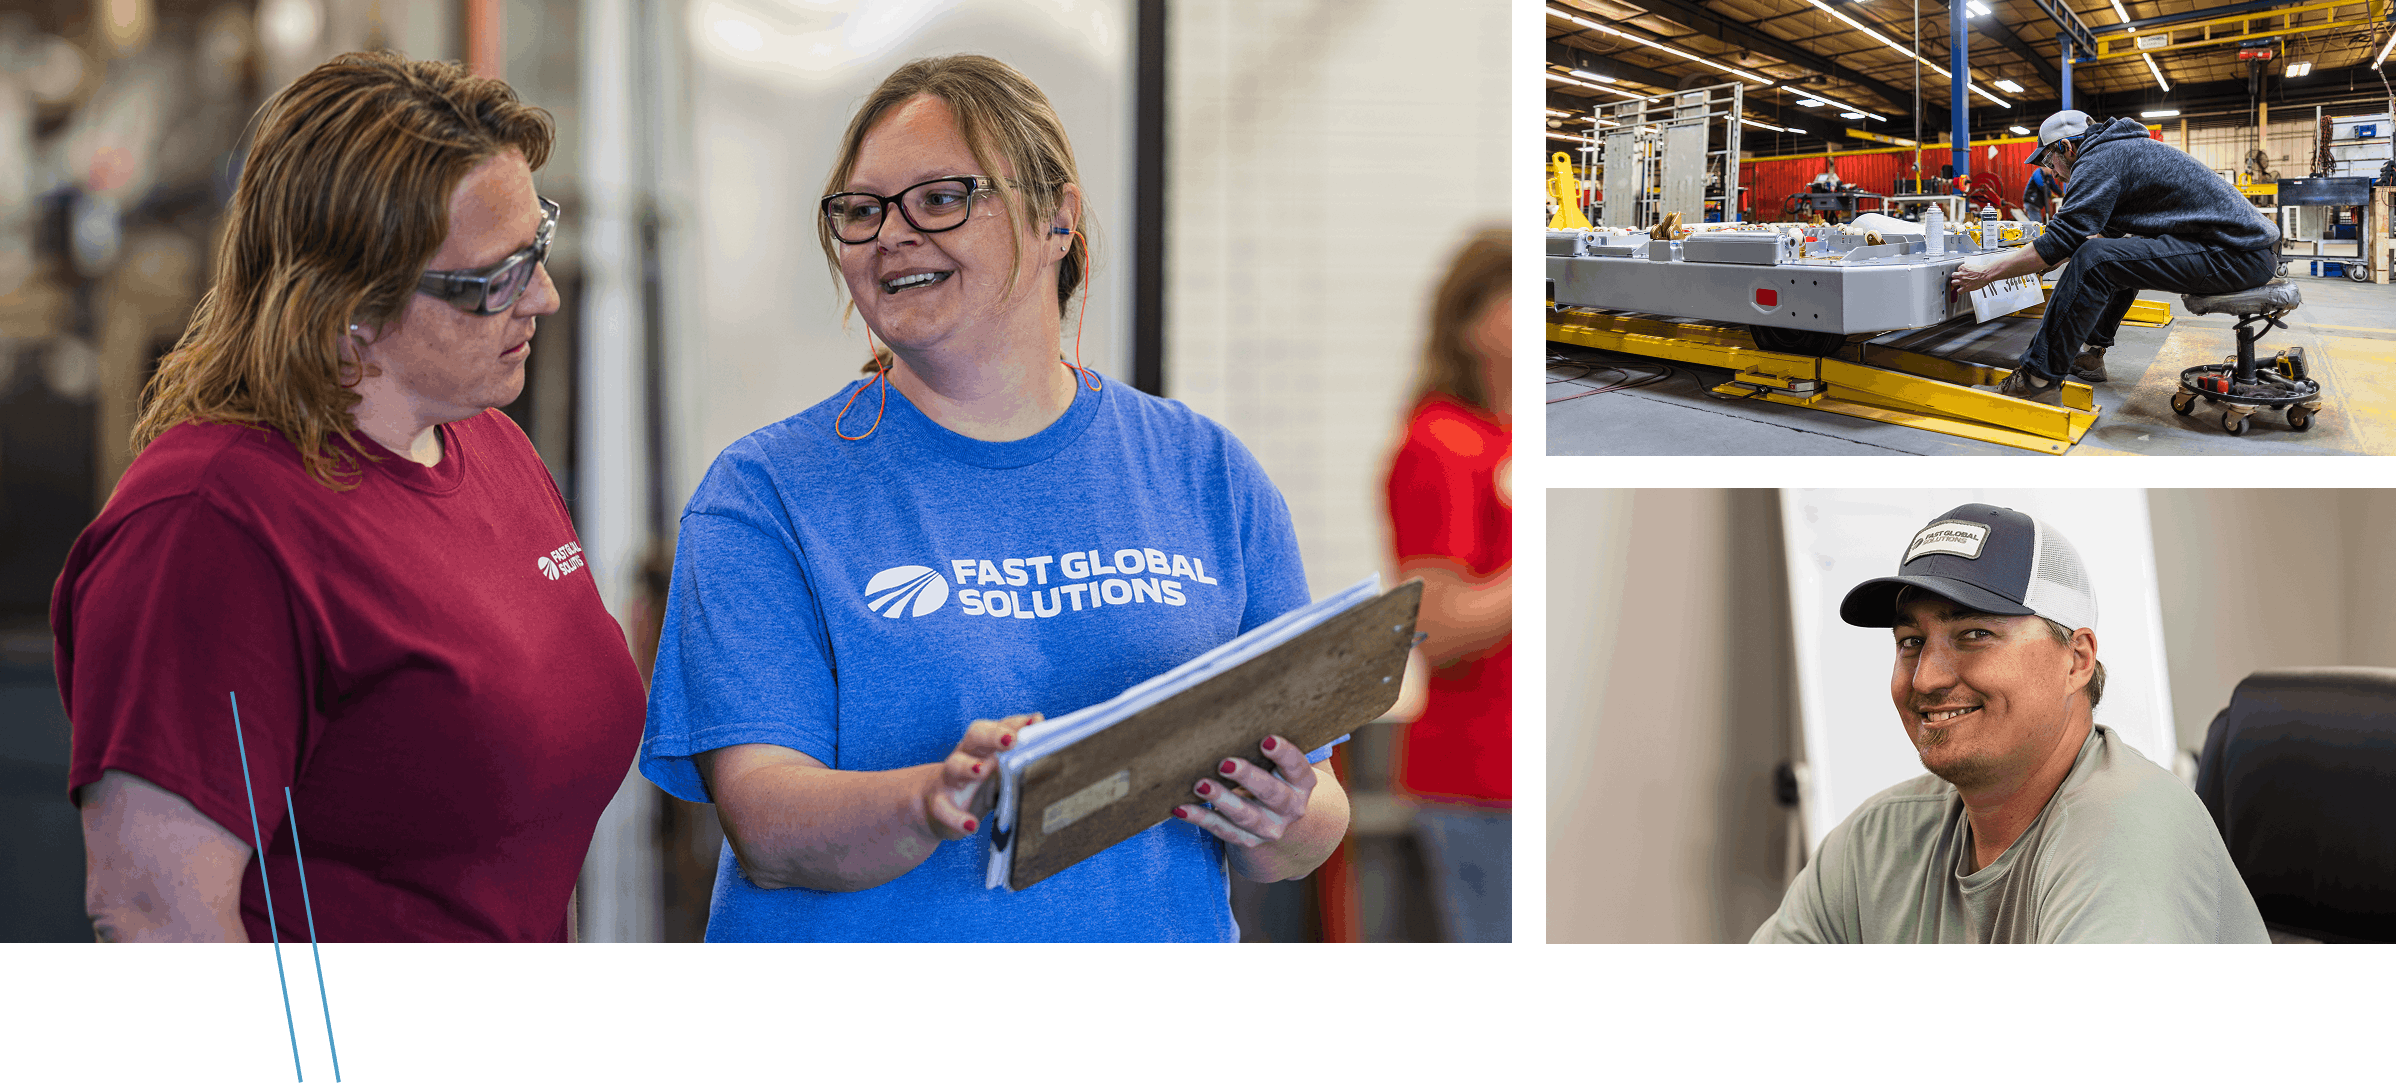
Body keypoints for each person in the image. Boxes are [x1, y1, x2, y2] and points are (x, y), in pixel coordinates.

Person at [636, 54, 1351, 942]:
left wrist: (1281, 813)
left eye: (939, 198)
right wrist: (932, 801)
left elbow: (1310, 819)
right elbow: (766, 825)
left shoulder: (1206, 472)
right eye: (862, 212)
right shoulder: (766, 495)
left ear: (1057, 215)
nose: (891, 236)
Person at [56, 53, 643, 942]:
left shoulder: (489, 443)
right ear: (348, 305)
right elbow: (152, 912)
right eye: (495, 280)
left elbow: (515, 840)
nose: (546, 298)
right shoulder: (209, 524)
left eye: (539, 249)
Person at [1750, 503, 2269, 943]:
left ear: (2077, 660)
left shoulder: (2130, 836)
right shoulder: (1879, 840)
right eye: (1911, 642)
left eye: (1974, 634)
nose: (1926, 678)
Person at [1948, 109, 2280, 403]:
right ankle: (2092, 355)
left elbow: (2065, 240)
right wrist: (2040, 261)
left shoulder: (2099, 159)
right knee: (2111, 256)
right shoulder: (2119, 151)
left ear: (2066, 147)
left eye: (2050, 161)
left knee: (2097, 259)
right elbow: (2099, 237)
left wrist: (1986, 273)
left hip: (2235, 255)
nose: (2053, 173)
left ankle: (2037, 378)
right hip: (2241, 252)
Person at [1384, 227, 1510, 942]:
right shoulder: (1441, 442)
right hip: (1481, 778)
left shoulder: (1513, 435)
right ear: (1469, 323)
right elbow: (1437, 624)